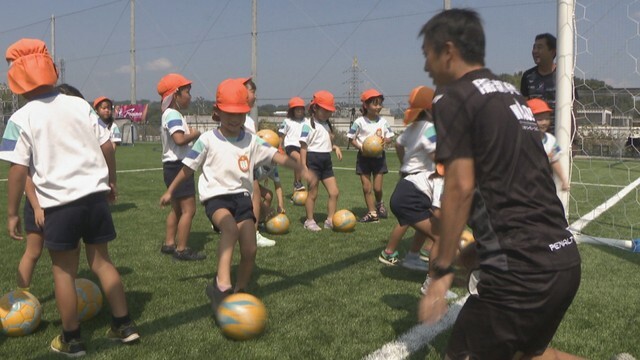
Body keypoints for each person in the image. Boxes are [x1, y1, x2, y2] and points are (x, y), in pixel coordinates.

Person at [418, 10, 582, 359]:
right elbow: (518, 187)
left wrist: (443, 270)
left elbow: (460, 187)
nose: (426, 68)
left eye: (428, 55)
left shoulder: (453, 97)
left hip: (522, 272)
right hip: (563, 257)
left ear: (448, 51)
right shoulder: (512, 96)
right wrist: (477, 251)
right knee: (532, 355)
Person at [1, 38, 139, 357]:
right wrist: (111, 180)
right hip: (94, 198)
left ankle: (71, 338)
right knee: (102, 261)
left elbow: (18, 170)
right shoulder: (79, 104)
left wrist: (11, 213)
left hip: (58, 205)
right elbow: (107, 145)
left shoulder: (20, 118)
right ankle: (125, 324)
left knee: (64, 271)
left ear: (17, 82)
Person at [159, 79, 315, 311]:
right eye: (228, 113)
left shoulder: (251, 140)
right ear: (217, 112)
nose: (234, 119)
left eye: (240, 114)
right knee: (229, 229)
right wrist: (170, 191)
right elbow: (187, 167)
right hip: (217, 199)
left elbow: (276, 156)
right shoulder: (206, 140)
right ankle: (221, 286)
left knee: (250, 250)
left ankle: (239, 290)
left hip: (242, 199)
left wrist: (299, 168)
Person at [15, 83, 86, 293]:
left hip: (64, 202)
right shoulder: (34, 128)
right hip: (38, 201)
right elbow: (26, 174)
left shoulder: (64, 138)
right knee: (34, 251)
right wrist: (37, 206)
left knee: (72, 250)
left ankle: (67, 288)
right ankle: (22, 296)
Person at [379, 86, 437, 272]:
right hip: (419, 183)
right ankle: (409, 258)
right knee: (438, 230)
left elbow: (398, 143)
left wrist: (404, 162)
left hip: (411, 179)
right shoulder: (429, 128)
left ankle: (413, 256)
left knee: (424, 220)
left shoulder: (413, 127)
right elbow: (437, 153)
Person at [158, 73, 205, 261]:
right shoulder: (173, 114)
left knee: (176, 209)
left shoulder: (169, 114)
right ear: (176, 95)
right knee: (189, 210)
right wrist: (194, 134)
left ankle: (169, 243)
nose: (190, 96)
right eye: (187, 92)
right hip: (179, 166)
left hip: (170, 166)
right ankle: (182, 249)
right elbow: (179, 139)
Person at [347, 89, 394, 223]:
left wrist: (385, 141)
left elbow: (390, 137)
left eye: (380, 104)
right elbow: (351, 138)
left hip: (379, 158)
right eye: (375, 104)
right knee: (366, 188)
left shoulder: (383, 122)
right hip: (363, 159)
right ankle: (372, 213)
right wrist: (362, 147)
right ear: (366, 106)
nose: (378, 107)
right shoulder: (359, 122)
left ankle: (379, 203)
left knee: (377, 188)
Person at [299, 90, 343, 231]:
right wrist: (303, 167)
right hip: (313, 161)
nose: (327, 114)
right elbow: (303, 147)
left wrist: (335, 147)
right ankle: (309, 221)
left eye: (329, 111)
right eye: (324, 110)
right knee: (313, 193)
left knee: (334, 192)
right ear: (315, 108)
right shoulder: (308, 125)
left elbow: (325, 143)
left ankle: (330, 220)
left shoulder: (326, 125)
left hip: (326, 161)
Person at [528, 98, 570, 191]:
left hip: (543, 185)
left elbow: (555, 161)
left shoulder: (551, 140)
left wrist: (563, 180)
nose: (544, 123)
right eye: (540, 119)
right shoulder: (522, 139)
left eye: (547, 118)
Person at [520, 33, 557, 119]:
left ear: (552, 52)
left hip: (560, 131)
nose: (535, 51)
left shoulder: (564, 76)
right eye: (534, 47)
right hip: (536, 131)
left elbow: (573, 107)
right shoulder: (528, 76)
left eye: (539, 47)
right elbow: (523, 107)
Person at [278, 96, 307, 192]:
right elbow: (281, 135)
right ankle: (298, 183)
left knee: (301, 164)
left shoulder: (306, 121)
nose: (299, 111)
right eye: (296, 109)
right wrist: (280, 147)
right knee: (299, 159)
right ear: (292, 111)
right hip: (291, 146)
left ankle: (296, 185)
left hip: (303, 146)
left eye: (301, 109)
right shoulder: (287, 121)